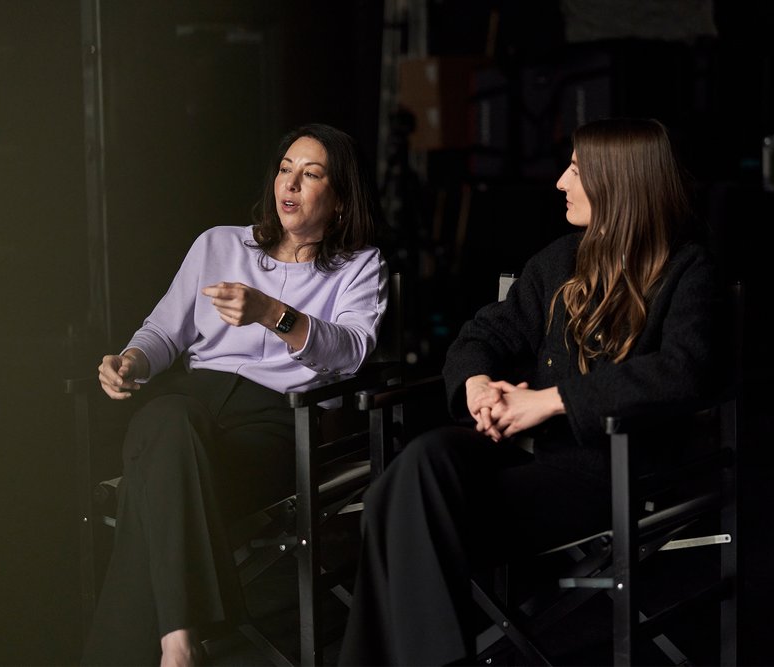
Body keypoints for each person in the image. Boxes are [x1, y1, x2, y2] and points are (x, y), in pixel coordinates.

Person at [338, 118, 721, 666]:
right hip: (529, 456)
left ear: (619, 181)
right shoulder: (561, 258)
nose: (561, 182)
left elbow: (684, 371)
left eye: (576, 169)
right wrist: (477, 387)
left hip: (609, 472)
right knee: (421, 463)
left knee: (391, 504)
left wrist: (549, 400)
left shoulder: (687, 269)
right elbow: (481, 334)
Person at [83, 123, 388, 667]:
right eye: (285, 168)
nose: (289, 182)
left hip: (279, 422)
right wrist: (131, 359)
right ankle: (177, 644)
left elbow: (353, 353)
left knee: (154, 470)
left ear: (340, 202)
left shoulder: (359, 266)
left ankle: (172, 639)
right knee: (167, 421)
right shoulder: (220, 244)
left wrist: (273, 314)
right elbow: (163, 331)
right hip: (193, 404)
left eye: (311, 174)